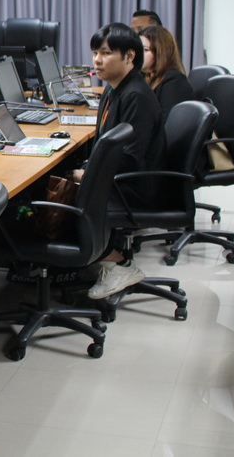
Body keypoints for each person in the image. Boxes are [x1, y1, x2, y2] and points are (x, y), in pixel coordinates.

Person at [69, 23, 164, 299]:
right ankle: (94, 257)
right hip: (119, 178)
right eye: (95, 53)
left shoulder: (136, 96)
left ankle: (118, 262)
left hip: (134, 188)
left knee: (57, 194)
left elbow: (129, 159)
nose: (97, 60)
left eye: (106, 53)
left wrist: (87, 175)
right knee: (59, 179)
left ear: (129, 56)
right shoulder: (114, 90)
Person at [139, 24, 193, 122]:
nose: (138, 54)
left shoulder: (174, 81)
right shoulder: (141, 78)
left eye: (145, 50)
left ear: (160, 52)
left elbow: (167, 124)